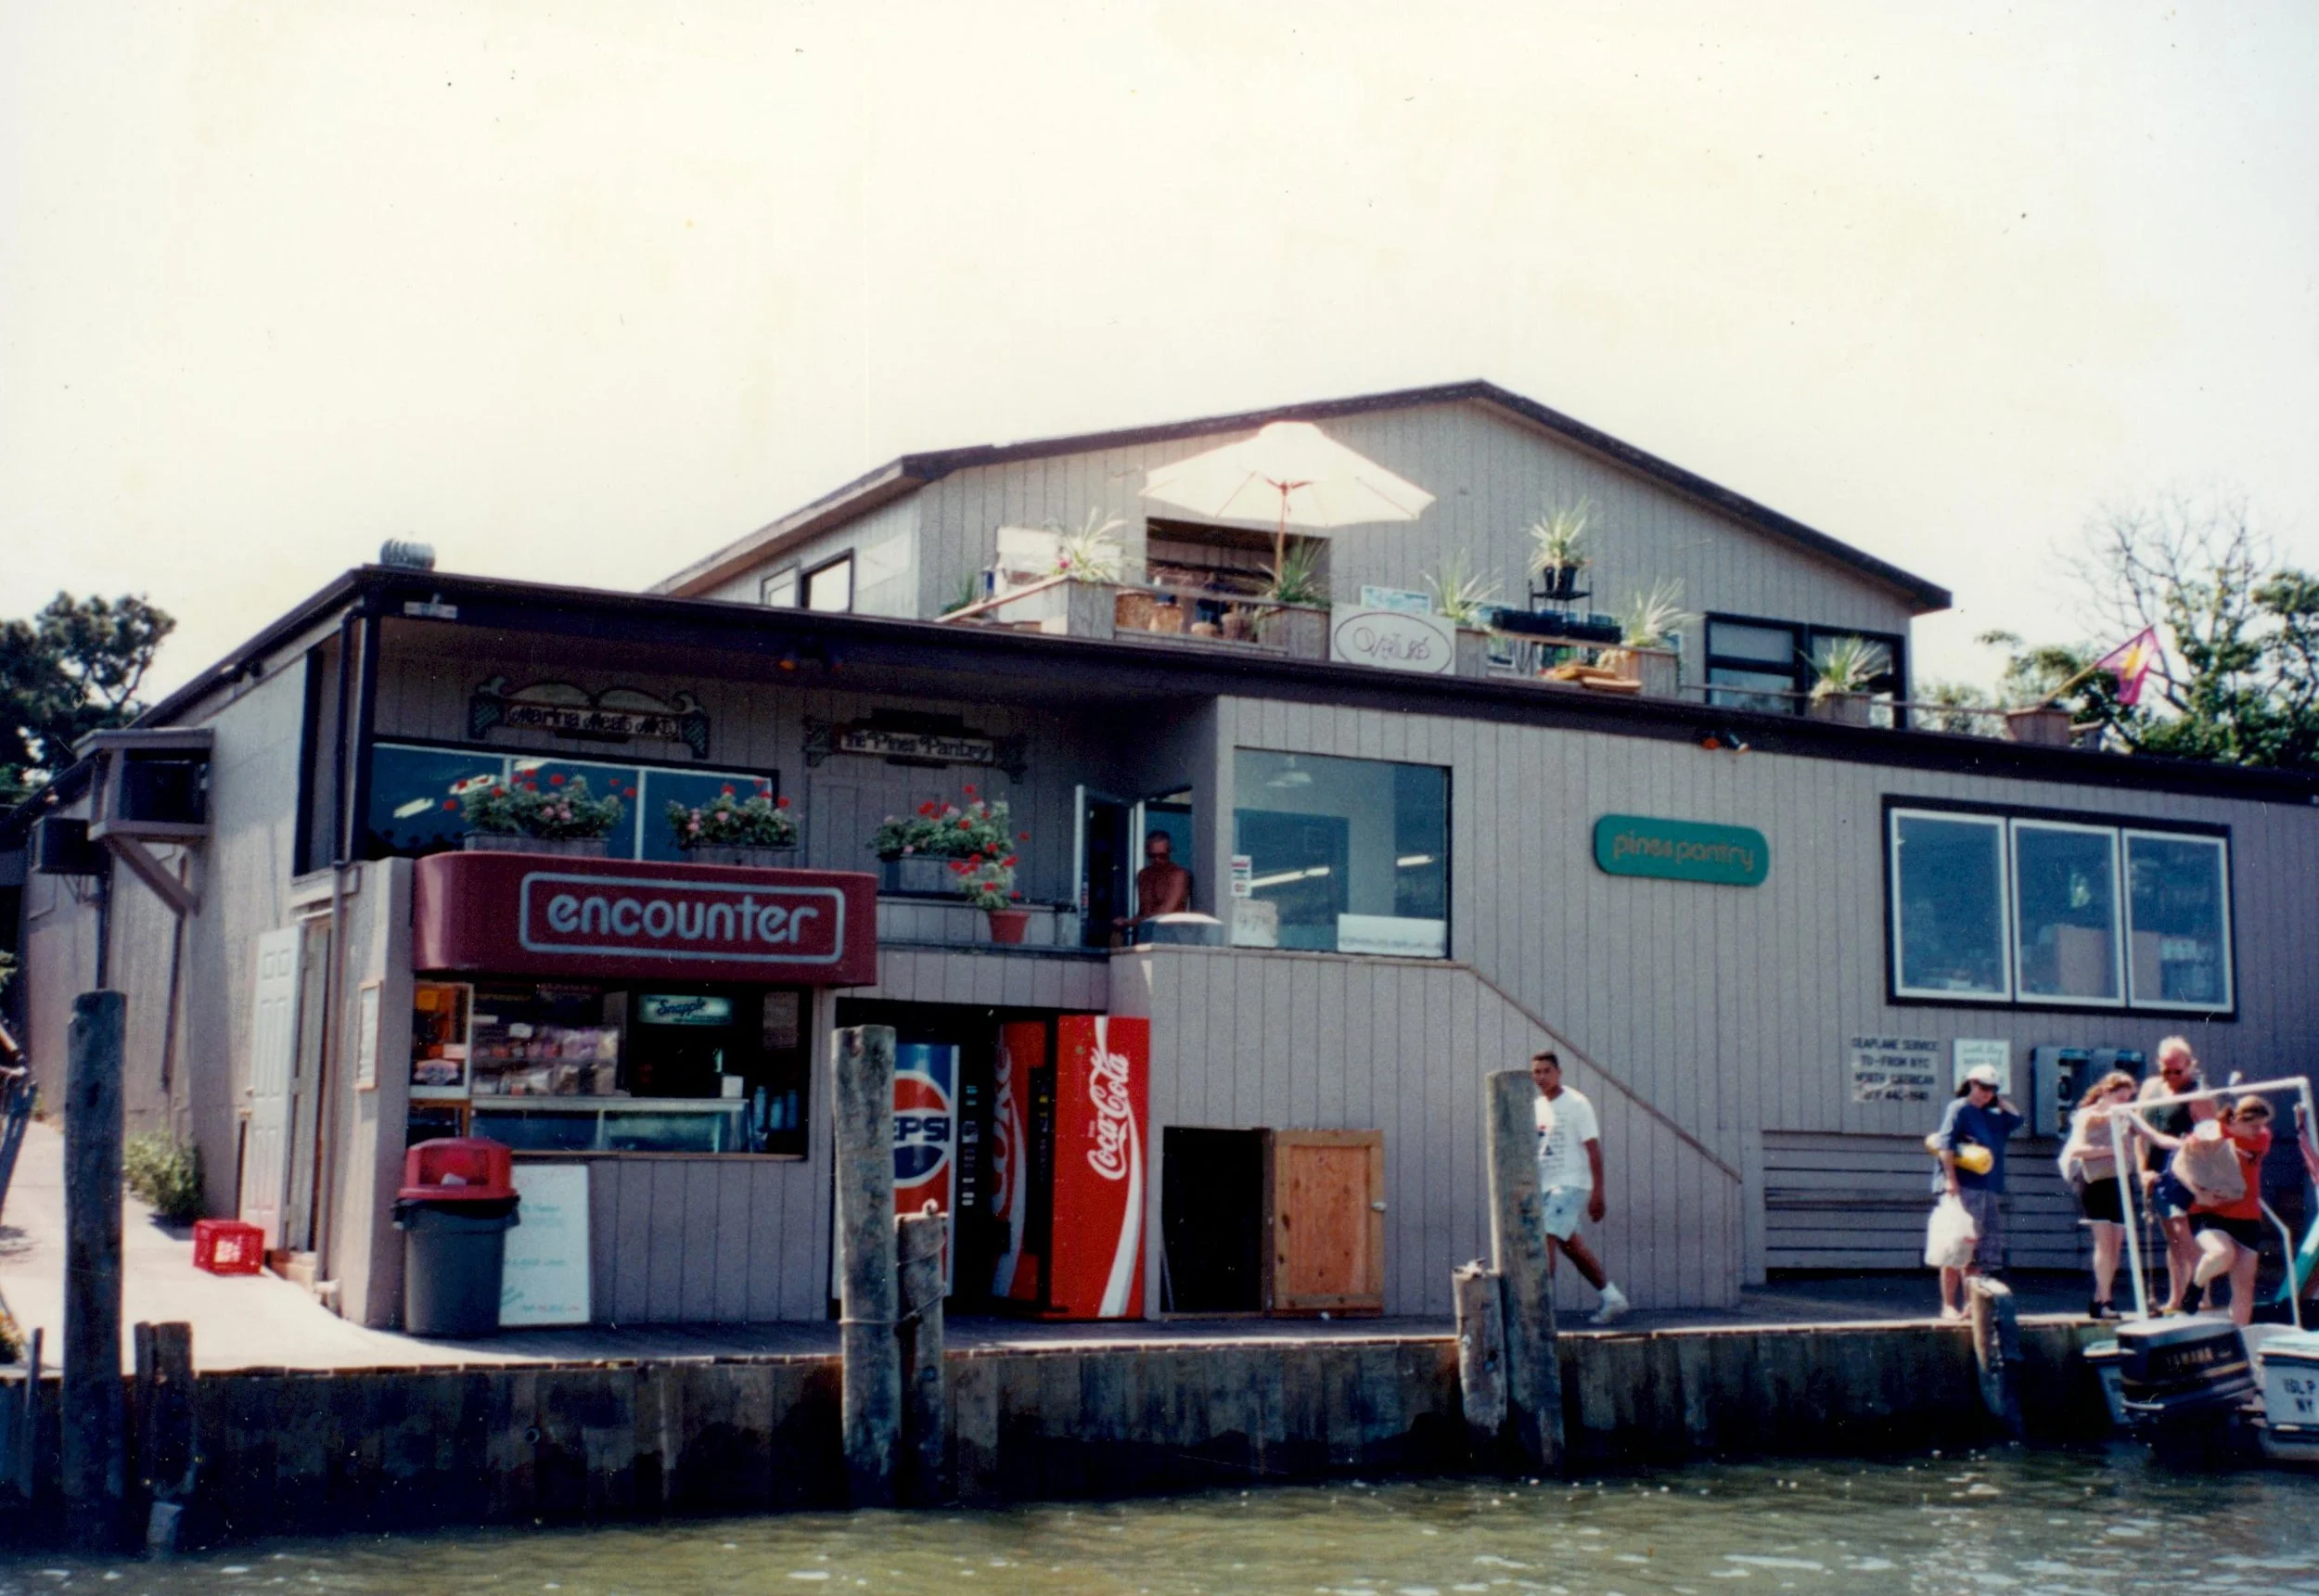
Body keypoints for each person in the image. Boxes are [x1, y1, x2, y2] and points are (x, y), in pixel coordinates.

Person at [1529, 1049, 1628, 1324]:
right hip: (1546, 1186)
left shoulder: (1577, 1103)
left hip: (1571, 1183)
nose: (1541, 1076)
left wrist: (1598, 1192)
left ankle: (1540, 1313)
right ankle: (1613, 1298)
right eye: (1536, 1071)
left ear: (1559, 1073)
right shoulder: (1537, 1106)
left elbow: (1593, 1149)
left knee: (1544, 1234)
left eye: (1547, 1070)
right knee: (1570, 1246)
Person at [1930, 1062, 2024, 1321]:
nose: (1987, 1092)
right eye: (1982, 1086)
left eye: (1992, 1088)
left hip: (1988, 1188)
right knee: (1956, 1246)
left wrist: (2001, 1100)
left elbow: (2017, 1119)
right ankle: (1949, 1305)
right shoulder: (1959, 1108)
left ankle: (1973, 1305)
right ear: (1971, 1083)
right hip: (1963, 1187)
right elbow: (1945, 1144)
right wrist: (1951, 1180)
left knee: (1980, 1251)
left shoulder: (1994, 1116)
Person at [2175, 1096, 2276, 1323]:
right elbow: (2179, 1164)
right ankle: (2195, 1287)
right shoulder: (2210, 1132)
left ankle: (2240, 1338)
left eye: (2262, 1125)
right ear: (2237, 1119)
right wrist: (2198, 1191)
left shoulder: (2261, 1138)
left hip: (2246, 1215)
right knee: (2222, 1254)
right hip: (2210, 1211)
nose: (2261, 1130)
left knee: (2244, 1287)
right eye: (2254, 1125)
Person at [2135, 1037, 2218, 1313]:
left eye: (2177, 1071)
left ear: (2190, 1066)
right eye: (2165, 1070)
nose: (2171, 1077)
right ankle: (2176, 1296)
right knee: (2172, 1237)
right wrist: (2143, 1170)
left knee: (2187, 1234)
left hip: (2187, 1172)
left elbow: (2212, 1140)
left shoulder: (2199, 1095)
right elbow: (2139, 1134)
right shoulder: (2150, 1089)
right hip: (2158, 1170)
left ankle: (2201, 1295)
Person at [2061, 1070, 2141, 1321]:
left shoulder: (2125, 1115)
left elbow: (2150, 1132)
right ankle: (2106, 1300)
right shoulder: (2088, 1116)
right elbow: (2078, 1151)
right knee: (2104, 1244)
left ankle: (2100, 1299)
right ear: (2106, 1093)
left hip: (2120, 1181)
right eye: (2120, 1098)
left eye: (2128, 1099)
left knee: (2116, 1245)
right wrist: (2112, 1149)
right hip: (2095, 1182)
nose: (2124, 1103)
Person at [1113, 828, 1192, 942]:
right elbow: (1144, 910)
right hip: (1145, 936)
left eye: (1162, 856)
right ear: (1146, 853)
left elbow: (1165, 913)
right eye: (1152, 856)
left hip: (1169, 937)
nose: (1157, 860)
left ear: (1170, 851)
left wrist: (1129, 922)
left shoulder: (1178, 875)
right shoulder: (1143, 875)